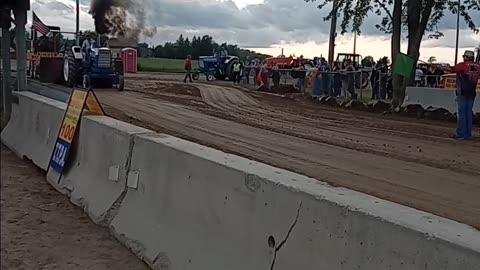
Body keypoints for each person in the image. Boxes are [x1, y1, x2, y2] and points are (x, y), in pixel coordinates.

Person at [452, 50, 479, 140]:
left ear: (466, 57)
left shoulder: (462, 65)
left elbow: (453, 69)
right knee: (468, 113)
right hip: (472, 92)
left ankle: (460, 133)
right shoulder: (478, 66)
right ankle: (468, 134)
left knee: (462, 113)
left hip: (462, 91)